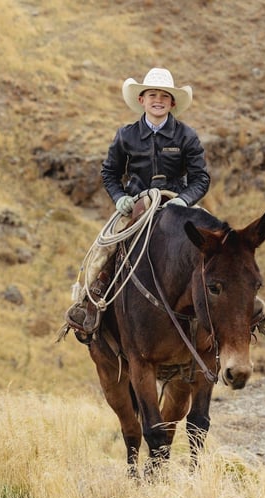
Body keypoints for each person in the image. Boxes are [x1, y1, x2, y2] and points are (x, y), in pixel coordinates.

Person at [64, 67, 211, 337]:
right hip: (137, 207)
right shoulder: (126, 135)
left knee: (217, 245)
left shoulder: (186, 136)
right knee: (104, 248)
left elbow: (201, 178)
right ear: (142, 100)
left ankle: (236, 309)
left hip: (177, 205)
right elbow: (109, 172)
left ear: (172, 103)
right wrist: (120, 198)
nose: (158, 100)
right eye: (152, 95)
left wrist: (183, 199)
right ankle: (89, 303)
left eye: (164, 97)